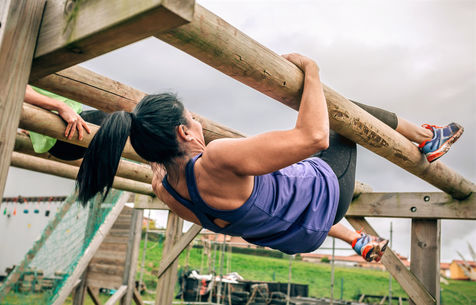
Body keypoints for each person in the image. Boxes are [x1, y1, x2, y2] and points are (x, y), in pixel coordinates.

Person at [75, 54, 463, 262]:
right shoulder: (217, 159)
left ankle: (357, 235)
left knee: (282, 188)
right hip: (327, 194)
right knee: (345, 113)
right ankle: (429, 137)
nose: (198, 123)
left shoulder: (167, 190)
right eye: (192, 118)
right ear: (183, 131)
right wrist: (312, 70)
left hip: (299, 234)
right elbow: (314, 137)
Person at [23, 85, 107, 160]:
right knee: (114, 120)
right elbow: (22, 91)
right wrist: (61, 107)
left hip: (73, 123)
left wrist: (32, 132)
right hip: (61, 134)